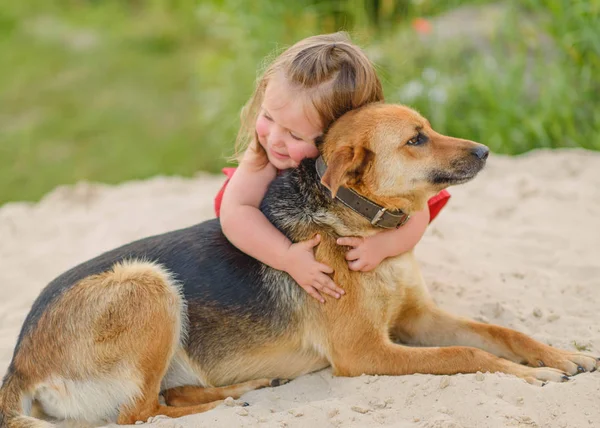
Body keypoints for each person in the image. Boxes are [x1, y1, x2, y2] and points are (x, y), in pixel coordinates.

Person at [215, 32, 450, 303]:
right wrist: (286, 257)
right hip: (266, 249)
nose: (275, 138)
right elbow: (235, 214)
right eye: (268, 116)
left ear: (337, 135)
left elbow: (416, 212)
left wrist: (384, 246)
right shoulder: (263, 155)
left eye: (295, 135)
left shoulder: (359, 163)